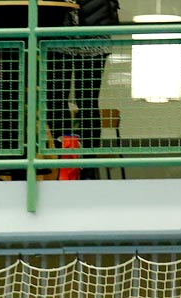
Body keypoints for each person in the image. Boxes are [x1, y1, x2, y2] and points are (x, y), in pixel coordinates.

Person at [44, 0, 119, 180]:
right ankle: (69, 161)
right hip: (60, 33)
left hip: (89, 35)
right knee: (57, 102)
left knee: (85, 102)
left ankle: (86, 163)